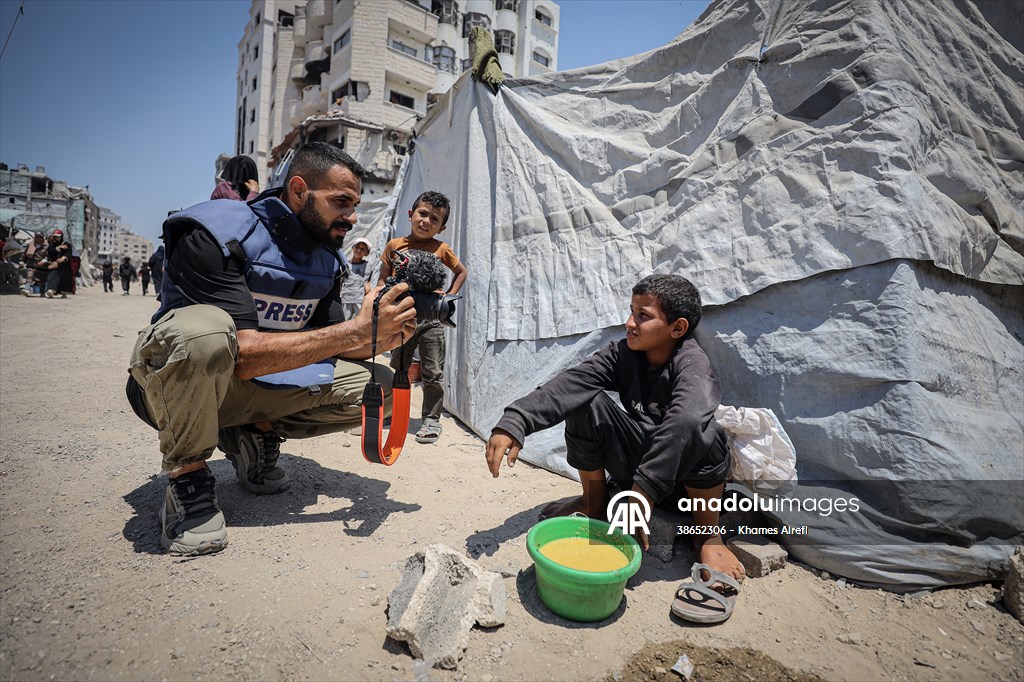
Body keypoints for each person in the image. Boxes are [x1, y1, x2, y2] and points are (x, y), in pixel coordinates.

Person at [125, 142, 416, 556]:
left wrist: (378, 338)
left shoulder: (326, 261)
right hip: (173, 391)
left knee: (381, 385)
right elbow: (242, 354)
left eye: (354, 205)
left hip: (251, 390)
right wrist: (354, 331)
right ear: (299, 191)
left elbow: (328, 343)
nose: (352, 217)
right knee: (204, 334)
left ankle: (252, 434)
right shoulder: (214, 229)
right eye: (341, 202)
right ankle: (187, 477)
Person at [485, 274, 745, 611]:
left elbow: (687, 420)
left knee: (705, 431)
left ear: (677, 329)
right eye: (631, 311)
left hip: (684, 480)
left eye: (643, 315)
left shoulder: (693, 364)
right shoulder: (622, 354)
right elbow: (571, 384)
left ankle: (707, 535)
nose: (629, 323)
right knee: (584, 401)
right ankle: (595, 503)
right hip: (639, 471)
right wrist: (515, 420)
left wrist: (642, 496)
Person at [377, 191, 467, 444]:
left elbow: (461, 272)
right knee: (398, 367)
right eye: (423, 213)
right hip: (401, 316)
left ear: (442, 226)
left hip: (431, 321)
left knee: (432, 371)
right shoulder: (395, 246)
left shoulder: (441, 248)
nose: (427, 221)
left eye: (434, 219)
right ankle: (391, 411)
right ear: (411, 214)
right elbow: (383, 277)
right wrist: (381, 294)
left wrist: (448, 299)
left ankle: (431, 420)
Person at [340, 238, 373, 321]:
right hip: (346, 298)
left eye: (362, 249)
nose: (359, 250)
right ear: (352, 248)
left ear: (367, 253)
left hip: (360, 300)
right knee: (344, 322)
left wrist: (368, 285)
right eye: (357, 247)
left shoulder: (368, 266)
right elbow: (340, 282)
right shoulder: (345, 265)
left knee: (360, 322)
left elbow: (370, 280)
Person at [43, 230, 74, 299]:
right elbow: (50, 252)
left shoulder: (67, 244)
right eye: (55, 237)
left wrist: (63, 258)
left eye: (58, 237)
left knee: (63, 279)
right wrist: (58, 248)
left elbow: (69, 253)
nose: (56, 238)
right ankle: (51, 290)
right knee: (52, 276)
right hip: (55, 264)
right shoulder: (52, 245)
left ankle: (63, 293)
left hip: (64, 266)